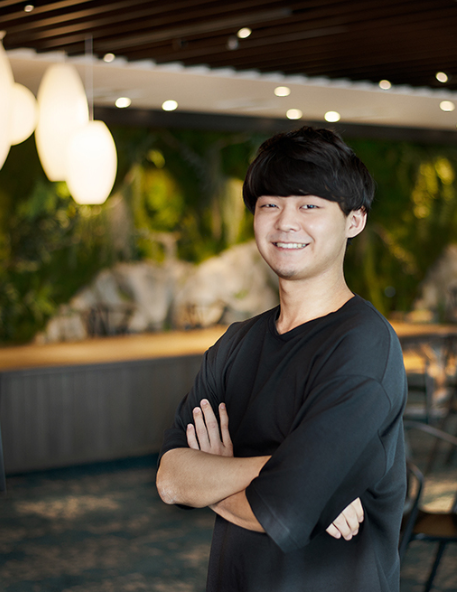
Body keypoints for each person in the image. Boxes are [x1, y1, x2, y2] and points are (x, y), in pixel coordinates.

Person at [156, 127, 407, 592]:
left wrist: (216, 474)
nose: (285, 222)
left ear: (354, 220)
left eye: (309, 205)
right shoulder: (236, 344)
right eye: (270, 204)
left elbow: (283, 511)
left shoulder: (364, 347)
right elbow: (171, 479)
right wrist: (291, 470)